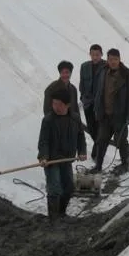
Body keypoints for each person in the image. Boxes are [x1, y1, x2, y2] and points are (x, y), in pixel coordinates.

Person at [38, 88, 87, 223]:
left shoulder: (75, 118)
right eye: (54, 103)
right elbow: (43, 141)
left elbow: (80, 136)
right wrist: (43, 156)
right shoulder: (48, 120)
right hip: (51, 160)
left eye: (59, 104)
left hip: (67, 159)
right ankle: (53, 219)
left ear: (67, 105)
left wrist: (82, 151)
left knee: (69, 187)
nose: (56, 107)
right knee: (54, 189)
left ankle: (61, 213)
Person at [93, 48, 129, 175]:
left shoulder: (126, 74)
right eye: (110, 59)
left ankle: (124, 164)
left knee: (121, 141)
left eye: (115, 59)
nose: (113, 62)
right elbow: (99, 92)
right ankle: (98, 166)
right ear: (107, 60)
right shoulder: (103, 71)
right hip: (105, 115)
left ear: (119, 59)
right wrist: (97, 109)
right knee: (101, 141)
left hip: (120, 116)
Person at [79, 44, 106, 159]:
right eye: (93, 55)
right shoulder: (84, 66)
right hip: (88, 102)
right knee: (91, 127)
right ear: (90, 54)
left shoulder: (106, 66)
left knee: (100, 126)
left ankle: (97, 150)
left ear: (101, 55)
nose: (95, 57)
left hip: (101, 103)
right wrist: (83, 97)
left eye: (97, 55)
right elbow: (82, 83)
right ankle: (98, 145)